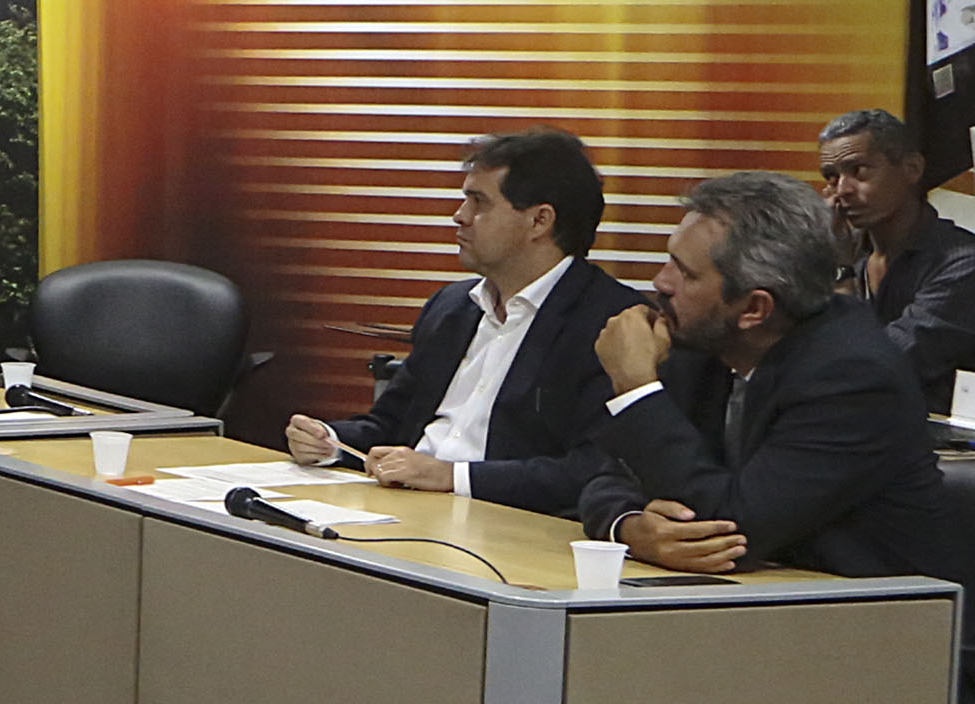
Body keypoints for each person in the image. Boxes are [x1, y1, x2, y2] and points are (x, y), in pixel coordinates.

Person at [576, 171, 963, 582]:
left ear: (754, 309)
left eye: (686, 273)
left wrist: (636, 390)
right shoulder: (701, 340)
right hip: (750, 594)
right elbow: (607, 477)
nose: (661, 282)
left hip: (869, 607)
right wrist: (630, 527)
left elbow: (732, 528)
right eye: (670, 259)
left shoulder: (854, 378)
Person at [281, 127, 639, 515]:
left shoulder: (613, 324)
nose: (460, 216)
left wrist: (453, 476)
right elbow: (391, 424)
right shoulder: (451, 307)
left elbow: (593, 469)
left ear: (539, 221)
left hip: (502, 523)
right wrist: (329, 440)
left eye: (479, 203)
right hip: (402, 507)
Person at [817, 107, 975, 394]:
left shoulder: (963, 265)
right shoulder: (850, 248)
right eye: (831, 177)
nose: (842, 190)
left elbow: (872, 367)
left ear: (912, 168)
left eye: (858, 171)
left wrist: (840, 271)